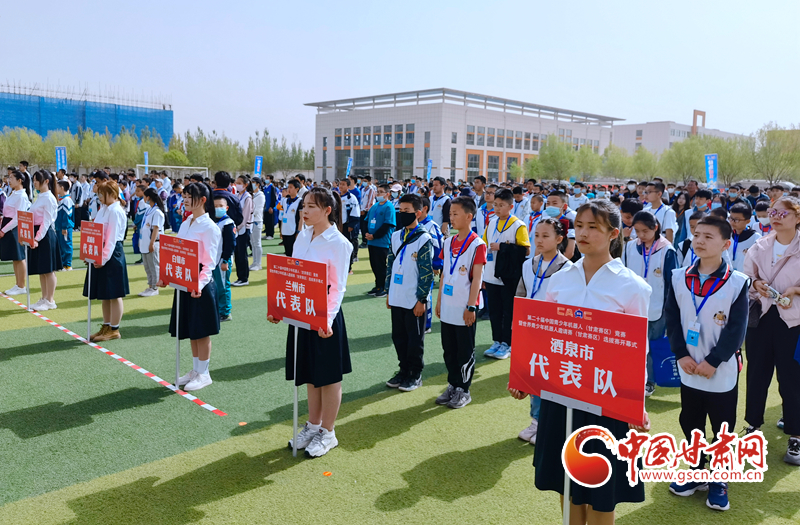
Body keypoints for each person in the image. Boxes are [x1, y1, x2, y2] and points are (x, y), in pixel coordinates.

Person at [532, 199, 652, 524]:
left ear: (613, 233)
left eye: (593, 227)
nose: (582, 233)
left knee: (603, 487)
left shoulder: (632, 286)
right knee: (567, 482)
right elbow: (545, 336)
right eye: (579, 226)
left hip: (607, 398)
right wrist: (528, 380)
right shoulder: (559, 278)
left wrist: (635, 405)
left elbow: (637, 351)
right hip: (563, 393)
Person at [665, 214, 748, 510]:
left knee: (723, 426)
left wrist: (713, 361)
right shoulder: (678, 277)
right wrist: (682, 355)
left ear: (726, 244)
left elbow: (737, 330)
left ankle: (719, 478)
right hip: (689, 367)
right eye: (697, 234)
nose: (699, 240)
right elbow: (672, 321)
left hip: (720, 370)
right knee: (691, 421)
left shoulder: (738, 282)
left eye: (708, 237)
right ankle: (697, 470)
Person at [268, 187, 353, 458]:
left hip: (325, 318)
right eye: (304, 206)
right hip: (301, 314)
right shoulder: (301, 237)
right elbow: (292, 276)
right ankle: (313, 425)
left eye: (312, 207)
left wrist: (326, 319)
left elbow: (338, 287)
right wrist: (279, 308)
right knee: (310, 374)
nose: (305, 211)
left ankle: (328, 433)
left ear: (328, 211)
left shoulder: (339, 243)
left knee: (328, 377)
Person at [743, 196, 800, 465]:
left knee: (792, 379)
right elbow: (746, 278)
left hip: (793, 321)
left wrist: (796, 290)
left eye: (784, 213)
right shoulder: (760, 245)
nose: (775, 216)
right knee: (756, 374)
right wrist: (757, 284)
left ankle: (796, 435)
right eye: (773, 212)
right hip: (762, 317)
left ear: (797, 218)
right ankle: (752, 425)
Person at [514, 218, 572, 445]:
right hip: (531, 333)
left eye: (545, 236)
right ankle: (536, 422)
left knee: (553, 380)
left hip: (554, 337)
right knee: (534, 377)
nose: (538, 240)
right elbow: (521, 296)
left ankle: (551, 425)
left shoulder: (568, 269)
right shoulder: (528, 264)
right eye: (536, 235)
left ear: (559, 239)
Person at [158, 182, 221, 392]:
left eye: (189, 196)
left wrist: (199, 285)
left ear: (203, 200)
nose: (184, 199)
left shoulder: (210, 227)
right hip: (184, 283)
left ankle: (204, 373)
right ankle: (195, 370)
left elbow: (209, 262)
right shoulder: (186, 223)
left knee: (202, 331)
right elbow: (177, 252)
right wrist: (167, 276)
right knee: (192, 330)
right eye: (184, 195)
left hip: (200, 286)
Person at [434, 196, 486, 409]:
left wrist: (471, 306)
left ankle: (464, 389)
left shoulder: (477, 244)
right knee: (449, 349)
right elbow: (445, 273)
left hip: (465, 307)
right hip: (447, 305)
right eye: (450, 214)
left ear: (469, 216)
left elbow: (477, 279)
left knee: (465, 350)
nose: (451, 218)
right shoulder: (448, 242)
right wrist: (438, 300)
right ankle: (452, 384)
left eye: (455, 214)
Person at [623, 210, 678, 396]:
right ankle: (634, 377)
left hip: (657, 307)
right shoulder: (630, 247)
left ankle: (650, 381)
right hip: (632, 305)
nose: (640, 235)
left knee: (652, 345)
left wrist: (669, 309)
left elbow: (672, 282)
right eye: (637, 231)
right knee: (634, 344)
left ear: (655, 228)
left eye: (645, 231)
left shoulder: (667, 250)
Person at [385, 194, 434, 392]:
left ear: (418, 213)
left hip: (414, 300)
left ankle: (415, 373)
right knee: (399, 337)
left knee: (415, 340)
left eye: (406, 211)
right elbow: (389, 265)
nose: (401, 214)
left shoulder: (424, 238)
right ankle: (403, 370)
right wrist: (389, 291)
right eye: (400, 210)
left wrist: (422, 299)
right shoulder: (396, 235)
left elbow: (426, 272)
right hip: (397, 296)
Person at [482, 188, 530, 360]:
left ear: (510, 206)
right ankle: (497, 340)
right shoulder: (492, 222)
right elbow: (484, 245)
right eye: (495, 205)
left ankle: (507, 343)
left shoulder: (519, 225)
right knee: (495, 311)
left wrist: (503, 247)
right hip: (491, 274)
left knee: (508, 311)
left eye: (501, 205)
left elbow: (525, 250)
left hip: (509, 277)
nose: (497, 208)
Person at [84, 181, 129, 342]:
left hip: (111, 253)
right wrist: (91, 254)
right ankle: (106, 325)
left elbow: (111, 238)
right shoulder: (104, 209)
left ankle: (114, 329)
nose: (100, 197)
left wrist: (102, 258)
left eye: (103, 194)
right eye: (99, 194)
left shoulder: (115, 211)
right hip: (101, 252)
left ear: (113, 194)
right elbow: (95, 232)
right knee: (105, 294)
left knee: (114, 294)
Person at [28, 170, 60, 311]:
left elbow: (46, 222)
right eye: (34, 180)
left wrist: (36, 238)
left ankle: (50, 300)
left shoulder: (49, 198)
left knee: (49, 270)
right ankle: (44, 298)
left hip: (45, 236)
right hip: (38, 235)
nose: (34, 182)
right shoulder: (40, 196)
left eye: (37, 180)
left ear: (46, 181)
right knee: (42, 270)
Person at [0, 170, 32, 295]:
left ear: (20, 180)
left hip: (14, 227)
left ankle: (22, 285)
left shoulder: (22, 196)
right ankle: (18, 283)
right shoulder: (13, 193)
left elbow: (18, 218)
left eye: (12, 177)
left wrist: (3, 230)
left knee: (19, 257)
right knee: (15, 257)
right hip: (8, 225)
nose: (9, 179)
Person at [365, 184, 395, 298]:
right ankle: (378, 285)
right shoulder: (375, 206)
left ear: (387, 194)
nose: (378, 194)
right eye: (377, 192)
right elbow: (367, 220)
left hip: (382, 241)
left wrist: (375, 236)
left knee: (382, 265)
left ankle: (384, 287)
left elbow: (387, 225)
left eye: (381, 192)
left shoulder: (389, 206)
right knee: (374, 265)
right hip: (371, 241)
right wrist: (367, 234)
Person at [420, 196, 444, 332]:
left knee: (426, 294)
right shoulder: (415, 224)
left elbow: (438, 246)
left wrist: (436, 265)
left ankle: (426, 324)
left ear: (424, 209)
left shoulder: (431, 225)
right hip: (416, 265)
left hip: (428, 266)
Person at [138, 188, 166, 297]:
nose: (143, 198)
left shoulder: (157, 212)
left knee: (154, 265)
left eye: (145, 196)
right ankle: (150, 285)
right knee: (147, 266)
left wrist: (152, 243)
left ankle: (155, 287)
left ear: (148, 197)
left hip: (153, 242)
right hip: (145, 241)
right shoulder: (148, 210)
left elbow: (156, 228)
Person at [213, 196, 236, 322]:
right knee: (215, 286)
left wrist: (226, 260)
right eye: (215, 206)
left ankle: (225, 312)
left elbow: (231, 244)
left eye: (220, 206)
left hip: (222, 260)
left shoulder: (228, 223)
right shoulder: (214, 221)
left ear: (226, 208)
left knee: (223, 286)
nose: (218, 208)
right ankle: (218, 309)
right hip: (214, 260)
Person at [231, 175, 253, 287]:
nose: (237, 184)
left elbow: (245, 215)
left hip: (243, 229)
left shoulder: (247, 197)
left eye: (239, 183)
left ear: (245, 185)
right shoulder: (237, 196)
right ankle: (239, 277)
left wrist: (238, 227)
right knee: (237, 253)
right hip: (237, 228)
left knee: (242, 254)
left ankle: (244, 278)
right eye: (236, 182)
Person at [727, 202, 760, 273]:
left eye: (736, 220)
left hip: (746, 276)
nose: (732, 222)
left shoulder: (755, 238)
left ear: (747, 221)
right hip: (728, 276)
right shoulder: (727, 235)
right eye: (731, 218)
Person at [339, 179, 361, 273]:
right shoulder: (336, 197)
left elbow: (355, 212)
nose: (341, 186)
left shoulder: (351, 198)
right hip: (338, 226)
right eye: (340, 184)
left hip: (347, 226)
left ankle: (349, 267)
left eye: (343, 185)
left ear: (348, 187)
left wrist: (351, 225)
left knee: (348, 246)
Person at [281, 179, 303, 257]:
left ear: (297, 189)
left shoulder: (300, 201)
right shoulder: (285, 200)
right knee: (287, 253)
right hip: (285, 230)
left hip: (293, 231)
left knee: (294, 253)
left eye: (291, 187)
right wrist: (281, 230)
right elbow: (283, 215)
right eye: (288, 187)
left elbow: (301, 218)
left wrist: (298, 231)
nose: (288, 189)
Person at [55, 180, 74, 271]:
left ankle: (67, 265)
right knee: (61, 245)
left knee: (66, 245)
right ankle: (62, 263)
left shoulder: (67, 200)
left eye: (57, 186)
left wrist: (65, 227)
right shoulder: (62, 199)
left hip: (64, 227)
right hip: (59, 227)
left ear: (62, 187)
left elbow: (67, 216)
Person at [249, 178, 265, 271]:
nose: (252, 184)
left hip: (256, 221)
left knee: (257, 243)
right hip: (251, 221)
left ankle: (258, 263)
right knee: (253, 243)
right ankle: (254, 262)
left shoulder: (260, 195)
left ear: (258, 184)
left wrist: (248, 213)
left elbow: (257, 209)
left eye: (253, 183)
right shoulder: (252, 194)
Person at [131, 185, 148, 264]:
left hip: (142, 224)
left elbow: (140, 215)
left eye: (138, 191)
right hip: (142, 224)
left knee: (142, 241)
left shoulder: (142, 201)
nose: (136, 193)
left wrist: (135, 223)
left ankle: (143, 259)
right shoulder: (140, 200)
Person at [263, 174, 278, 240]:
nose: (266, 179)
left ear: (271, 180)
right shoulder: (264, 187)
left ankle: (271, 234)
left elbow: (273, 198)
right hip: (265, 208)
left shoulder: (272, 187)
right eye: (266, 178)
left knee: (270, 221)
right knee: (266, 221)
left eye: (268, 178)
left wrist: (271, 207)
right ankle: (267, 234)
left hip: (270, 208)